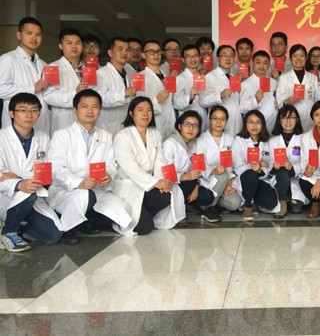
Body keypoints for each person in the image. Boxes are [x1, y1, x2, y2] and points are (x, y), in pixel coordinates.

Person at [47, 89, 132, 244]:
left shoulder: (105, 135)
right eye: (85, 106)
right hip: (67, 189)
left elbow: (110, 163)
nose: (90, 111)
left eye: (95, 107)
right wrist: (78, 182)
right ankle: (68, 229)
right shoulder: (62, 135)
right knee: (84, 197)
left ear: (100, 110)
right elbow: (56, 167)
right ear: (75, 110)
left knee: (122, 210)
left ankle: (86, 220)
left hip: (96, 189)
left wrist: (108, 175)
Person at [112, 97, 185, 235]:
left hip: (147, 184)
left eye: (149, 110)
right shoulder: (123, 136)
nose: (145, 114)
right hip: (130, 185)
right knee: (145, 227)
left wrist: (162, 181)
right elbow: (130, 167)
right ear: (131, 113)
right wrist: (155, 182)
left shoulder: (155, 134)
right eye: (140, 110)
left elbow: (160, 160)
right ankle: (131, 217)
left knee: (165, 196)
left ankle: (143, 212)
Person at [0, 93, 62, 252]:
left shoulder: (43, 138)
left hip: (33, 194)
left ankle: (14, 223)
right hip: (5, 195)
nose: (29, 115)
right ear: (11, 113)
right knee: (28, 193)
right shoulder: (2, 138)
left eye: (34, 110)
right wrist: (19, 183)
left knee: (53, 235)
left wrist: (20, 178)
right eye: (23, 110)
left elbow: (48, 170)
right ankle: (9, 232)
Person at [0, 17, 51, 133]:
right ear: (19, 35)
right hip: (17, 123)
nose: (34, 38)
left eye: (38, 34)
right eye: (29, 33)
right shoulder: (8, 59)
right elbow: (1, 89)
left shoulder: (43, 64)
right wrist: (32, 88)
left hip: (41, 122)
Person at [192, 105, 241, 221]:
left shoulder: (230, 140)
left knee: (235, 204)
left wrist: (229, 182)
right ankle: (209, 207)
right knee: (222, 174)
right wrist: (212, 171)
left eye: (222, 119)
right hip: (206, 181)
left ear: (226, 121)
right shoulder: (201, 140)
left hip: (225, 181)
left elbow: (233, 165)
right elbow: (198, 167)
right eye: (215, 118)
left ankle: (215, 201)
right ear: (210, 120)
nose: (219, 122)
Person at [163, 111, 214, 216]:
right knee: (189, 184)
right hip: (170, 185)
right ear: (179, 126)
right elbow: (166, 174)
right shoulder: (170, 144)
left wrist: (196, 186)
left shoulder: (194, 144)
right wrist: (184, 177)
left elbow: (197, 170)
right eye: (187, 124)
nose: (191, 128)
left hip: (188, 183)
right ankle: (177, 208)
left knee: (208, 196)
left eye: (195, 126)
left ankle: (185, 205)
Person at [232, 110, 278, 221]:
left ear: (262, 125)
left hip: (261, 178)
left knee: (270, 203)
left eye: (258, 122)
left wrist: (260, 170)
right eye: (251, 122)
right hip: (245, 178)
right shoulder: (239, 141)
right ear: (245, 124)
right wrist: (257, 167)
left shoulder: (266, 141)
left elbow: (269, 164)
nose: (254, 125)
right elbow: (238, 166)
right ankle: (248, 206)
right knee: (251, 176)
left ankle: (253, 200)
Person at [44, 28, 90, 133]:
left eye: (77, 43)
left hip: (87, 119)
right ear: (61, 46)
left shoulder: (88, 69)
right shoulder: (53, 68)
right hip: (64, 121)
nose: (74, 46)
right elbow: (49, 96)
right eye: (69, 43)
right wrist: (75, 93)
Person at [267, 105, 304, 218]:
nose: (288, 121)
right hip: (279, 177)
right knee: (282, 172)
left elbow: (305, 162)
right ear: (279, 120)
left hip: (296, 176)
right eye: (284, 117)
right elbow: (269, 161)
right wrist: (274, 166)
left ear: (297, 120)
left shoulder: (303, 139)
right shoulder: (273, 141)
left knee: (297, 204)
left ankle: (290, 197)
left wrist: (292, 167)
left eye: (291, 117)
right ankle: (282, 203)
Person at [96, 37, 136, 136]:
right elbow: (99, 98)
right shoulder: (101, 73)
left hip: (127, 123)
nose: (124, 53)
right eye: (120, 49)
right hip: (108, 126)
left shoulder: (130, 73)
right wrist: (123, 93)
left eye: (127, 50)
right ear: (110, 53)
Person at [136, 40, 175, 140]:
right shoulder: (139, 77)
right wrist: (156, 100)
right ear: (143, 55)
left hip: (169, 123)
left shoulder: (167, 77)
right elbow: (137, 104)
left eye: (158, 51)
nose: (156, 54)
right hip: (152, 124)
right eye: (151, 52)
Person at [199, 44, 242, 136]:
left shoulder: (234, 77)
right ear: (218, 59)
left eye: (231, 56)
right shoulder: (209, 77)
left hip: (236, 124)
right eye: (224, 55)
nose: (228, 58)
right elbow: (203, 101)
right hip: (219, 125)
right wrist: (220, 95)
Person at [276, 44, 319, 130]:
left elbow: (317, 99)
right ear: (290, 58)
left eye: (302, 56)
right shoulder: (283, 78)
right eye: (295, 56)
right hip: (291, 120)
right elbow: (279, 101)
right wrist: (286, 101)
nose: (298, 59)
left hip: (309, 118)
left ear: (306, 58)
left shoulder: (313, 78)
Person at [240, 51, 278, 132]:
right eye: (258, 62)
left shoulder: (274, 82)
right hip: (255, 128)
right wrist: (255, 100)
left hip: (274, 126)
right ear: (252, 64)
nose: (261, 66)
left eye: (265, 63)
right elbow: (242, 108)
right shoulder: (246, 84)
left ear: (269, 65)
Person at [173, 43, 208, 132]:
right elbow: (176, 103)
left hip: (204, 121)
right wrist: (190, 97)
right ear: (183, 60)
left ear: (200, 57)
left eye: (195, 56)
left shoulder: (203, 78)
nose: (193, 59)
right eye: (188, 56)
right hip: (188, 124)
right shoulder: (180, 78)